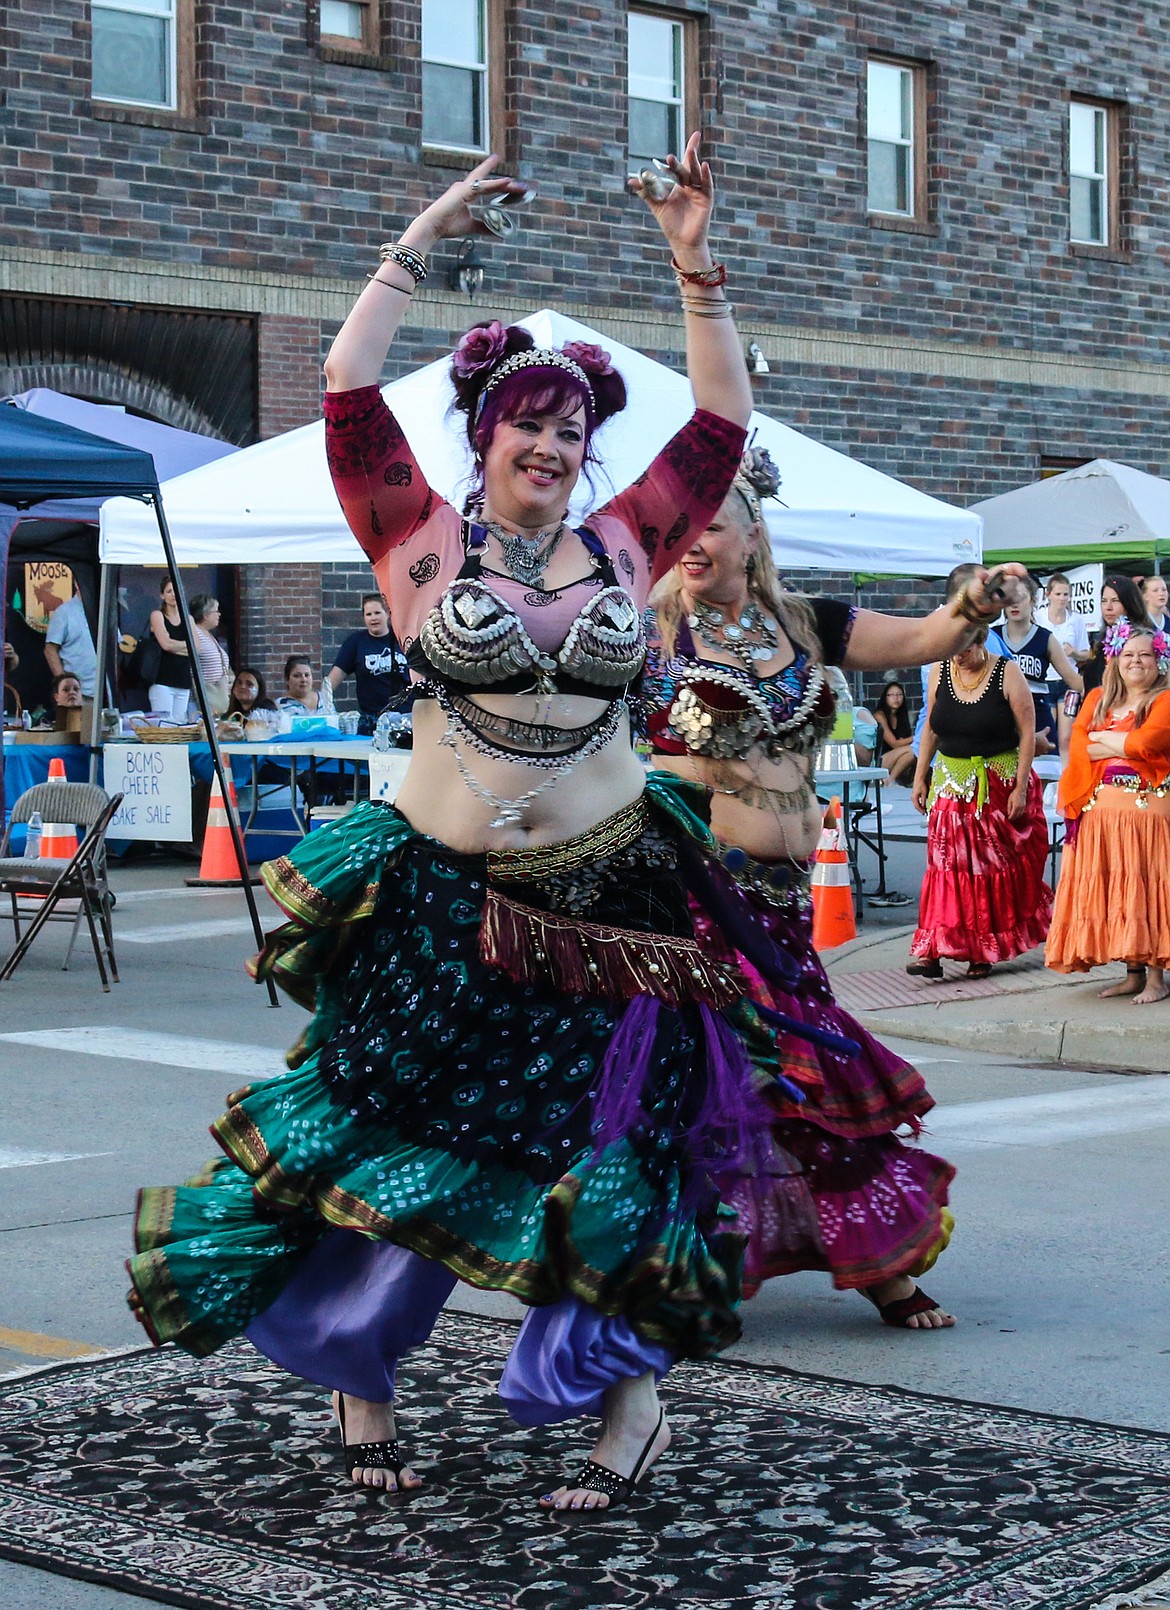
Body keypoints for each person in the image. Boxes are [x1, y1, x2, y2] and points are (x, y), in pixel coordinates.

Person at [127, 136, 795, 1513]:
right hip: (442, 900)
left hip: (610, 906)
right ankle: (360, 1395)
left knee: (603, 1155)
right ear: (483, 435)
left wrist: (691, 260)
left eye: (570, 432)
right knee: (380, 1133)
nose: (552, 448)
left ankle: (628, 1410)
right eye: (527, 426)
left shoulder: (624, 546)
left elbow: (720, 425)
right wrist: (419, 236)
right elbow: (344, 388)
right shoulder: (415, 538)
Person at [644, 446, 981, 1336]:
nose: (692, 541)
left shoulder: (807, 625)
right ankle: (694, 1270)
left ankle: (876, 1262)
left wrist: (972, 606)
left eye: (711, 523)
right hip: (702, 900)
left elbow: (924, 640)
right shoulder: (650, 636)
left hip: (787, 908)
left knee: (808, 1084)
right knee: (729, 1088)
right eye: (681, 526)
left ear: (753, 536)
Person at [908, 625, 1053, 980]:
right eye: (952, 648)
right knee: (944, 868)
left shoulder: (1007, 672)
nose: (958, 655)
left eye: (965, 648)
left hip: (996, 787)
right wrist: (919, 776)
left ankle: (981, 949)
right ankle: (931, 950)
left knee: (985, 871)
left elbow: (1026, 731)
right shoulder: (941, 671)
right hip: (950, 785)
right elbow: (931, 727)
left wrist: (1021, 788)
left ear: (980, 641)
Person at [1046, 625, 1170, 1005]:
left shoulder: (1164, 700)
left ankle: (1155, 979)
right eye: (1128, 654)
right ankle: (1132, 974)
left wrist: (1108, 742)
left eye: (1144, 655)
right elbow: (1077, 743)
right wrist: (1122, 745)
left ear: (1158, 660)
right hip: (1099, 813)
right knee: (1118, 893)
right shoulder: (1098, 697)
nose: (1136, 661)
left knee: (1145, 889)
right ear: (1114, 659)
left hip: (1146, 811)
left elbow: (1146, 742)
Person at [990, 579, 1081, 755]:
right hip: (1001, 720)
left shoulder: (1045, 638)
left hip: (1037, 717)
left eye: (1020, 598)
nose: (1014, 604)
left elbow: (1075, 681)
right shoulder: (992, 636)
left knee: (1041, 779)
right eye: (1009, 598)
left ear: (1033, 600)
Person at [326, 594, 414, 734]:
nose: (373, 618)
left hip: (406, 717)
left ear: (387, 614)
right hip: (372, 720)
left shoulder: (402, 638)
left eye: (377, 613)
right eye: (368, 614)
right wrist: (318, 700)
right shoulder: (356, 642)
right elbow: (332, 680)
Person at [1036, 573, 1092, 758]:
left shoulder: (1075, 620)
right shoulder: (1038, 618)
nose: (1062, 599)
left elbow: (1087, 652)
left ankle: (1066, 779)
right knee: (1048, 733)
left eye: (1066, 594)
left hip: (1068, 683)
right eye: (1058, 594)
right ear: (1048, 595)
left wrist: (1074, 653)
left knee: (1066, 736)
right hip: (1045, 682)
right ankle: (1049, 780)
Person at [1083, 576, 1151, 694]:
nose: (1108, 607)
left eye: (1115, 601)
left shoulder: (1141, 640)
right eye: (1104, 601)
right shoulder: (1102, 640)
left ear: (1129, 603)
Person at [146, 578, 193, 721]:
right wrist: (187, 645)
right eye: (169, 591)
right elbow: (165, 644)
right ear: (162, 595)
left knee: (180, 724)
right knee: (164, 725)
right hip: (162, 681)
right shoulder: (157, 615)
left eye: (177, 591)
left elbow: (197, 649)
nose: (173, 594)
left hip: (183, 682)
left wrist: (175, 646)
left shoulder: (188, 619)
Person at [44, 588, 97, 701]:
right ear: (77, 584)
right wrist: (64, 684)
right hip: (77, 695)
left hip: (104, 693)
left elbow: (115, 647)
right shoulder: (64, 612)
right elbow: (50, 650)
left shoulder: (104, 610)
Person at [188, 594, 233, 719]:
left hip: (215, 698)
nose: (219, 614)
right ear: (205, 615)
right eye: (216, 611)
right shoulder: (195, 632)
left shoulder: (209, 635)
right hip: (199, 702)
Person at [872, 680, 916, 783]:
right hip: (878, 761)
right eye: (891, 695)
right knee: (914, 749)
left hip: (896, 757)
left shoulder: (901, 716)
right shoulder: (879, 715)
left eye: (899, 694)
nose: (896, 698)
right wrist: (917, 737)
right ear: (885, 697)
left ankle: (895, 780)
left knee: (915, 750)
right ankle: (890, 781)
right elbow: (895, 744)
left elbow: (902, 742)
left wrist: (905, 741)